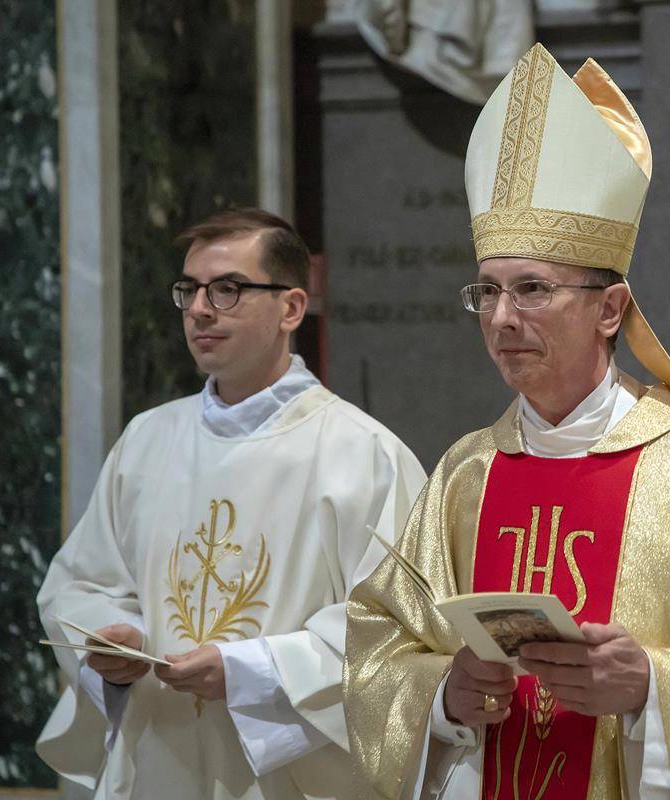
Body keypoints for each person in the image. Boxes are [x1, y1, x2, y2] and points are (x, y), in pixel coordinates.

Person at [342, 44, 670, 799]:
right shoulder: (467, 473)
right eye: (487, 291)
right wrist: (441, 698)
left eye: (532, 288)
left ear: (610, 309)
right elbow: (377, 647)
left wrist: (656, 688)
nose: (501, 318)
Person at [36, 208, 426, 799]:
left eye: (227, 289)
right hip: (161, 764)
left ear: (291, 308)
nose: (198, 309)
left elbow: (395, 632)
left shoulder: (365, 455)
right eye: (189, 290)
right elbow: (78, 585)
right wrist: (119, 641)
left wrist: (250, 673)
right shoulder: (147, 440)